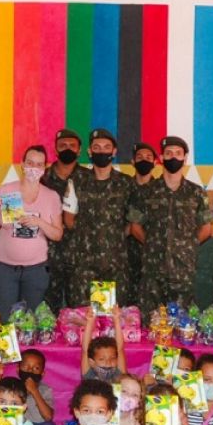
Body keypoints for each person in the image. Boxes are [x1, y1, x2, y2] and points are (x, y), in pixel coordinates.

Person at [129, 136, 212, 312]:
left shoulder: (196, 192)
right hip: (152, 271)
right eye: (168, 153)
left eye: (178, 153)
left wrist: (185, 247)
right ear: (161, 158)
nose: (173, 157)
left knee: (181, 325)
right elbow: (135, 227)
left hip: (183, 271)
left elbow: (206, 228)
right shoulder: (146, 191)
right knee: (150, 323)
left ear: (185, 158)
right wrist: (153, 245)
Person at [0, 145, 63, 320]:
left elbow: (58, 234)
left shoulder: (51, 196)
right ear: (22, 164)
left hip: (36, 271)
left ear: (44, 168)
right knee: (6, 321)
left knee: (31, 322)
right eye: (30, 163)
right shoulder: (7, 191)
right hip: (4, 269)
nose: (34, 168)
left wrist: (40, 222)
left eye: (39, 164)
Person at [64, 129, 133, 308]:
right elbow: (69, 219)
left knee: (113, 321)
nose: (102, 151)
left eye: (106, 147)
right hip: (84, 265)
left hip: (116, 265)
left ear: (114, 151)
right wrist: (87, 237)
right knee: (84, 321)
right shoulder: (77, 180)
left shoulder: (126, 183)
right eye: (97, 147)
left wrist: (114, 237)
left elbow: (132, 221)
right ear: (89, 152)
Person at [41, 129, 92, 311]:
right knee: (46, 313)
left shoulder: (89, 178)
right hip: (47, 256)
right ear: (55, 149)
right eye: (63, 145)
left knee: (82, 313)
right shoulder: (42, 178)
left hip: (81, 258)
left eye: (72, 146)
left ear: (79, 151)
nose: (67, 149)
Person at [0, 348, 56, 425]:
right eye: (26, 367)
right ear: (18, 369)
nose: (30, 371)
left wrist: (35, 391)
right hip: (12, 424)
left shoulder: (45, 390)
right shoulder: (13, 385)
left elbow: (48, 417)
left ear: (42, 373)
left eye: (36, 368)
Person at [124, 142, 157, 308]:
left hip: (153, 258)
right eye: (139, 157)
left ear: (156, 162)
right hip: (123, 256)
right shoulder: (123, 186)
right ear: (132, 162)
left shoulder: (160, 189)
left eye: (148, 157)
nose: (144, 160)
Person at [82, 307, 127, 383]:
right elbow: (85, 350)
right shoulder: (90, 376)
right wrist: (90, 322)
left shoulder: (118, 375)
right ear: (92, 362)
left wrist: (116, 320)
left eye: (112, 358)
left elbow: (119, 349)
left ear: (117, 360)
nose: (108, 362)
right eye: (102, 359)